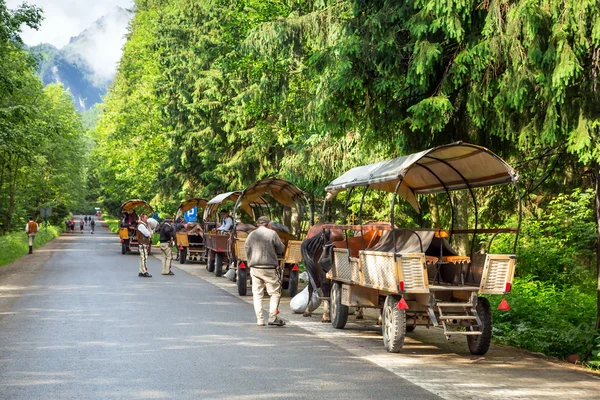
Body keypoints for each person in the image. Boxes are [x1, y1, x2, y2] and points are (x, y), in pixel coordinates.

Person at [245, 216, 286, 326]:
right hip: (269, 268)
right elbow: (281, 249)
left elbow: (247, 248)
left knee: (257, 294)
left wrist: (251, 261)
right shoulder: (272, 233)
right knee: (274, 293)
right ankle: (272, 318)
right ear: (269, 224)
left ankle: (260, 319)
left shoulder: (251, 234)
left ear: (258, 224)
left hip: (255, 268)